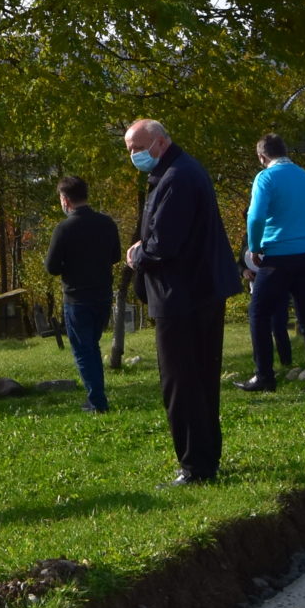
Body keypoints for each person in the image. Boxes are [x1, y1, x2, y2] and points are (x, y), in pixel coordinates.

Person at [122, 120, 240, 486]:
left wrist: (138, 256)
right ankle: (206, 457)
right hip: (201, 290)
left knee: (181, 382)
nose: (133, 156)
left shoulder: (175, 178)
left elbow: (164, 244)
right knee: (202, 380)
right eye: (129, 149)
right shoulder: (184, 170)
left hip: (182, 295)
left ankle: (194, 466)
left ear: (158, 143)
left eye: (136, 148)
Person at [237, 135, 305, 393]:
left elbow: (255, 217)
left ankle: (264, 376)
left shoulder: (265, 177)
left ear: (262, 157)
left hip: (278, 254)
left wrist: (255, 247)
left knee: (258, 313)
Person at [44, 175, 121, 413]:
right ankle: (95, 396)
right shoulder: (107, 223)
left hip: (77, 298)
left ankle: (97, 402)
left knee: (84, 351)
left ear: (65, 200)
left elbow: (52, 267)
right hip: (103, 295)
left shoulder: (64, 228)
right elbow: (116, 256)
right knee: (92, 346)